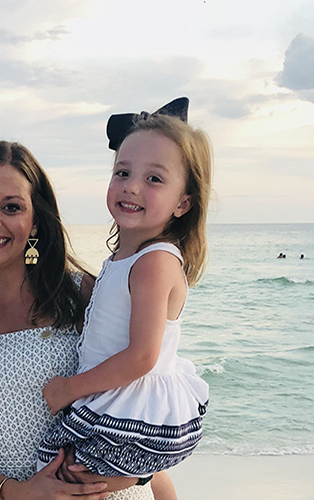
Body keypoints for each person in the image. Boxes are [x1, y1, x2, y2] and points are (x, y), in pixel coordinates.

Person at [0, 140, 173, 500]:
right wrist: (18, 493)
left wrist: (137, 477)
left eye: (12, 207)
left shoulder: (83, 295)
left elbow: (149, 401)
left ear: (36, 221)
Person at [37, 98, 211, 481]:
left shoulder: (154, 262)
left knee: (62, 471)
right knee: (55, 466)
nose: (131, 187)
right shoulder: (127, 257)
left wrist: (70, 389)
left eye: (154, 179)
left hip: (134, 406)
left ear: (183, 203)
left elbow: (142, 356)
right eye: (122, 172)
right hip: (117, 395)